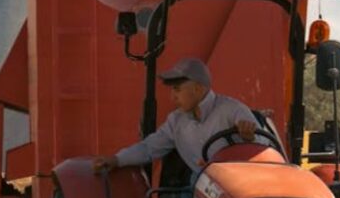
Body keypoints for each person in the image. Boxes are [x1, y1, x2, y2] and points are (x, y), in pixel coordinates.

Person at [93, 57, 260, 175]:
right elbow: (149, 148)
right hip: (199, 187)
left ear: (198, 88)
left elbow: (263, 148)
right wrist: (117, 159)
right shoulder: (176, 121)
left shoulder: (232, 110)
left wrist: (249, 136)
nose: (172, 97)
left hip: (235, 184)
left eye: (177, 89)